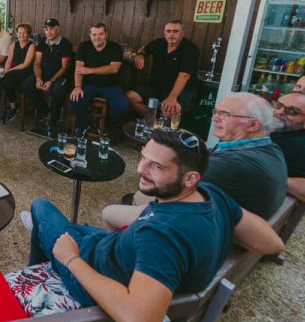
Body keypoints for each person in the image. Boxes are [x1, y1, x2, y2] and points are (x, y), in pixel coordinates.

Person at [23, 129, 284, 322]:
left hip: (91, 271)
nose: (141, 169)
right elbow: (272, 243)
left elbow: (141, 320)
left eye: (156, 166)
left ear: (190, 178)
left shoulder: (162, 235)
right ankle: (55, 243)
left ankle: (39, 275)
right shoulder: (210, 194)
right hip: (112, 248)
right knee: (73, 228)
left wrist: (71, 260)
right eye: (143, 158)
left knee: (40, 207)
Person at [102, 92, 287, 228]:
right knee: (140, 193)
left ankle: (125, 247)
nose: (214, 118)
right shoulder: (271, 148)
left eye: (225, 115)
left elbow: (167, 188)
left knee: (111, 211)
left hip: (198, 227)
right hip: (227, 217)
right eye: (216, 112)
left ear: (253, 124)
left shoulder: (230, 165)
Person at [127, 20, 199, 117]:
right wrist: (140, 55)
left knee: (169, 111)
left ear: (182, 33)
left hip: (183, 91)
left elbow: (184, 75)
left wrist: (172, 98)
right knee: (131, 97)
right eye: (168, 31)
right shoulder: (159, 43)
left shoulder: (190, 49)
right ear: (164, 33)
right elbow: (143, 49)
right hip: (156, 87)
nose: (171, 34)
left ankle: (160, 122)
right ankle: (153, 121)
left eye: (175, 31)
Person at [69, 24, 129, 139]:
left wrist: (90, 70)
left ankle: (106, 126)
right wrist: (77, 86)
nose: (97, 37)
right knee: (75, 99)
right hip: (89, 85)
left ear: (106, 34)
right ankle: (83, 125)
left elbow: (114, 68)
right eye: (94, 34)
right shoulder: (84, 46)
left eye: (100, 34)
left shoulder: (115, 47)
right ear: (90, 35)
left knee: (122, 106)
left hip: (111, 86)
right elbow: (78, 69)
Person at [21, 18, 74, 135]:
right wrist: (38, 78)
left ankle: (53, 121)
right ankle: (44, 110)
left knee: (57, 91)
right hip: (44, 75)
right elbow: (37, 63)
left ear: (58, 29)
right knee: (26, 85)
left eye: (52, 29)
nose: (48, 32)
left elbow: (64, 68)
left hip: (60, 77)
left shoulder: (65, 44)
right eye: (46, 29)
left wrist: (51, 81)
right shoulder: (42, 43)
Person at [0, 23, 36, 121]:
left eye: (24, 33)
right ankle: (13, 107)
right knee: (8, 83)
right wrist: (7, 70)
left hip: (26, 73)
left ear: (28, 34)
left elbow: (26, 64)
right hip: (14, 73)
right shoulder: (13, 45)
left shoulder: (32, 45)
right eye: (20, 32)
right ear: (17, 33)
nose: (22, 35)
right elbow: (8, 61)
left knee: (9, 76)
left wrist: (10, 70)